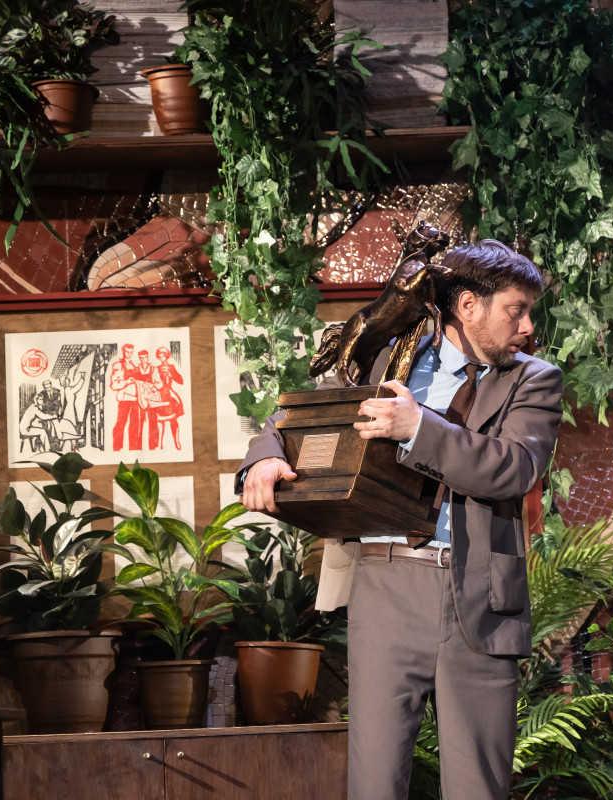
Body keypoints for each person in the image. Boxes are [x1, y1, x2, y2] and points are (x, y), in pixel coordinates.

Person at [237, 239, 563, 800]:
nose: (527, 326)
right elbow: (301, 415)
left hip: (478, 597)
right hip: (383, 584)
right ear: (468, 306)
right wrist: (265, 456)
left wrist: (418, 428)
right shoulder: (389, 358)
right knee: (375, 783)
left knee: (478, 789)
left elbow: (513, 469)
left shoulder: (534, 379)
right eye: (516, 310)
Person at [109, 343, 142, 451]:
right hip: (124, 399)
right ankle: (117, 448)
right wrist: (127, 382)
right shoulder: (118, 366)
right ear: (123, 351)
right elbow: (114, 385)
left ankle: (133, 449)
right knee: (120, 424)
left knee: (134, 425)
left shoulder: (135, 365)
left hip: (135, 399)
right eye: (127, 352)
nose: (129, 354)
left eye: (131, 352)